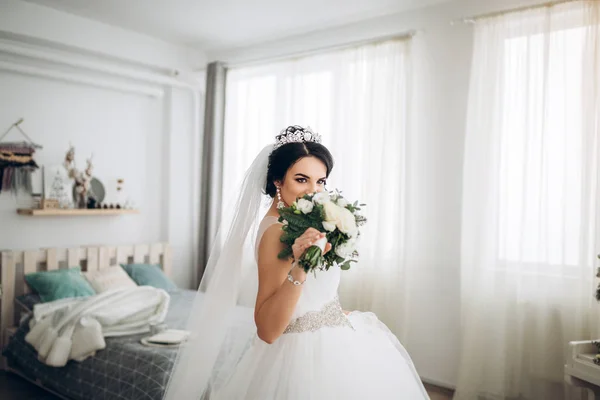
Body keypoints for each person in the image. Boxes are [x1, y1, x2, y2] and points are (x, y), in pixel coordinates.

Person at [164, 125, 429, 400]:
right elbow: (267, 330)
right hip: (301, 358)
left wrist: (333, 314)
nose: (313, 191)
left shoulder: (299, 221)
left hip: (332, 343)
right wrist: (301, 266)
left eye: (320, 181)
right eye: (301, 179)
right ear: (278, 181)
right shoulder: (278, 231)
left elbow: (312, 297)